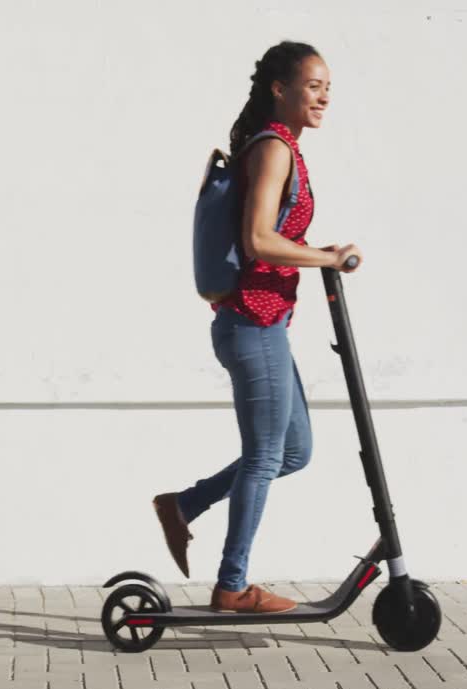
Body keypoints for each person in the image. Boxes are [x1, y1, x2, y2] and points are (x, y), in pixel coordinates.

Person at [154, 41, 361, 613]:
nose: (324, 97)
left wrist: (317, 253)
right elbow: (258, 240)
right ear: (280, 88)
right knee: (267, 455)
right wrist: (327, 256)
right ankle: (233, 585)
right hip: (252, 321)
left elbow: (269, 242)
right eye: (314, 85)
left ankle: (184, 505)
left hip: (263, 323)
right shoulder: (273, 149)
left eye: (327, 89)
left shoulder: (279, 146)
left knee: (293, 450)